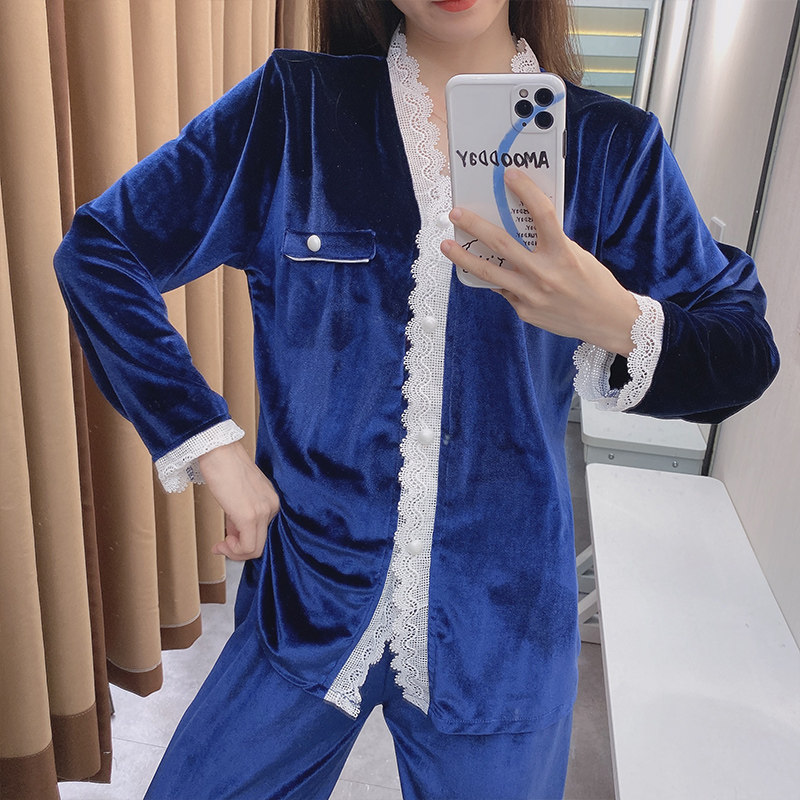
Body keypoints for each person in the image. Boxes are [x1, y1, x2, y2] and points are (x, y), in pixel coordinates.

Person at [54, 0, 779, 797]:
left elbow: (743, 352)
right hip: (308, 596)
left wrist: (613, 317)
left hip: (506, 627)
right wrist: (208, 442)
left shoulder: (611, 149)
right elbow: (100, 251)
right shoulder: (295, 112)